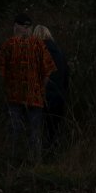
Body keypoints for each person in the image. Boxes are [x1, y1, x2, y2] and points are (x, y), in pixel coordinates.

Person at [0, 13, 56, 162]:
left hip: (14, 96)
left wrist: (8, 85)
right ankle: (34, 162)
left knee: (14, 130)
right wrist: (40, 88)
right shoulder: (39, 45)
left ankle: (13, 161)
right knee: (34, 132)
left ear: (16, 27)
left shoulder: (9, 44)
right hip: (35, 96)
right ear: (29, 28)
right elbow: (48, 71)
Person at [33, 24, 70, 156]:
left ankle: (40, 156)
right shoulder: (59, 51)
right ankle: (53, 155)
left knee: (39, 128)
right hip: (59, 95)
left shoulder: (37, 51)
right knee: (54, 129)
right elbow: (66, 74)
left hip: (42, 96)